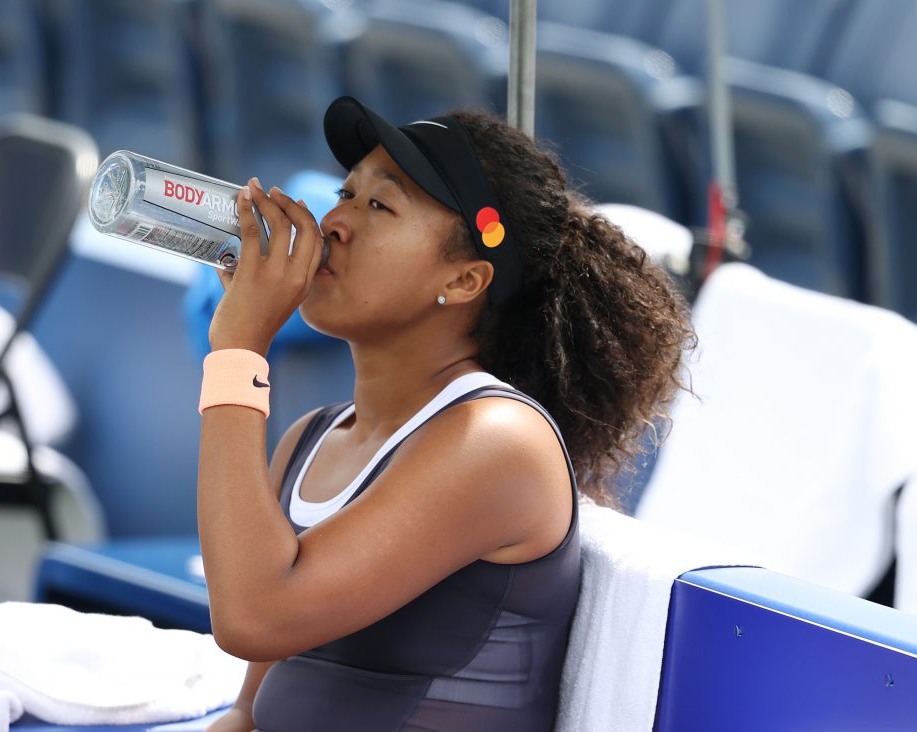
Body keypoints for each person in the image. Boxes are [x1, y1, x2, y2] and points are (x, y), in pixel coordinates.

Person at [197, 96, 694, 731]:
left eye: (380, 205)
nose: (335, 224)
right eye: (346, 194)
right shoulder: (311, 439)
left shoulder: (495, 441)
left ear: (464, 281)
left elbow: (253, 617)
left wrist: (238, 352)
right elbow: (247, 711)